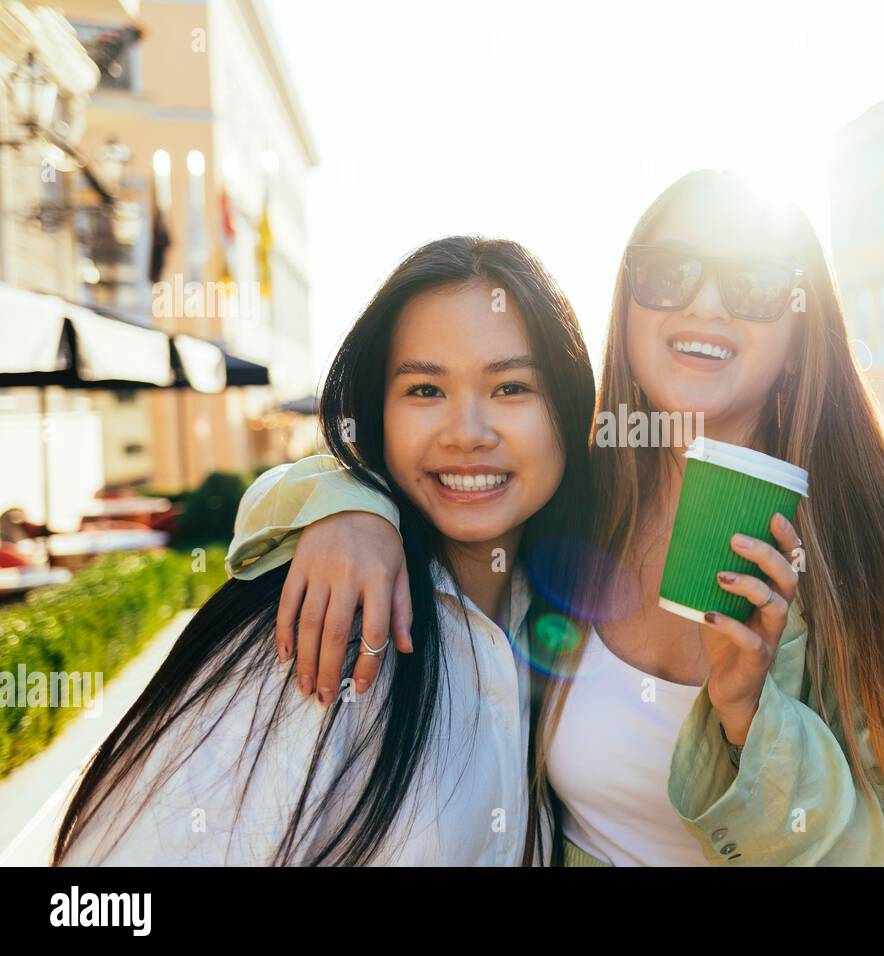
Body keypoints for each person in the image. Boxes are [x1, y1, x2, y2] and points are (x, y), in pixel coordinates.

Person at [226, 170, 884, 866]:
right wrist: (352, 508)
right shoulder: (579, 499)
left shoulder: (865, 551)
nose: (706, 303)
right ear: (628, 302)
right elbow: (436, 464)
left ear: (802, 333)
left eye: (754, 282)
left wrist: (754, 720)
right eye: (670, 271)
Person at [54, 236, 595, 866]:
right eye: (425, 390)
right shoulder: (319, 622)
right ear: (377, 415)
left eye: (511, 388)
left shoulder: (560, 619)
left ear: (571, 405)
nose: (467, 433)